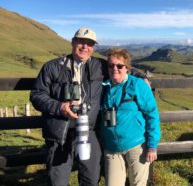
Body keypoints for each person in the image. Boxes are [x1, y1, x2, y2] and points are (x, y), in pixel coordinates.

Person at [30, 28, 147, 186]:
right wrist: (60, 107)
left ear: (93, 47)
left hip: (89, 131)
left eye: (90, 43)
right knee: (57, 180)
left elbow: (121, 67)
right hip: (60, 133)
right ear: (72, 42)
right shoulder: (52, 67)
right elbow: (37, 95)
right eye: (81, 41)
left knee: (91, 178)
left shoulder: (99, 65)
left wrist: (142, 77)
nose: (85, 46)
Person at [100, 48, 161, 186]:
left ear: (126, 68)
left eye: (119, 66)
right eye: (111, 65)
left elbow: (152, 114)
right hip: (111, 146)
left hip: (137, 144)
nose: (115, 68)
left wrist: (152, 146)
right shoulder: (103, 86)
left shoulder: (137, 85)